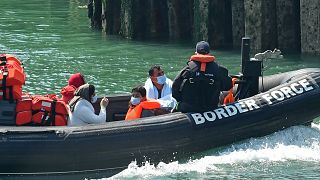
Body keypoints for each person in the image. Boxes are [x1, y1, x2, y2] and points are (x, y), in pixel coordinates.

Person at [172, 41, 233, 113]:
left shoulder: (187, 70)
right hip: (211, 109)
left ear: (195, 53)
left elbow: (175, 88)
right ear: (209, 53)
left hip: (188, 109)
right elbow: (228, 86)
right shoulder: (219, 70)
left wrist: (181, 100)